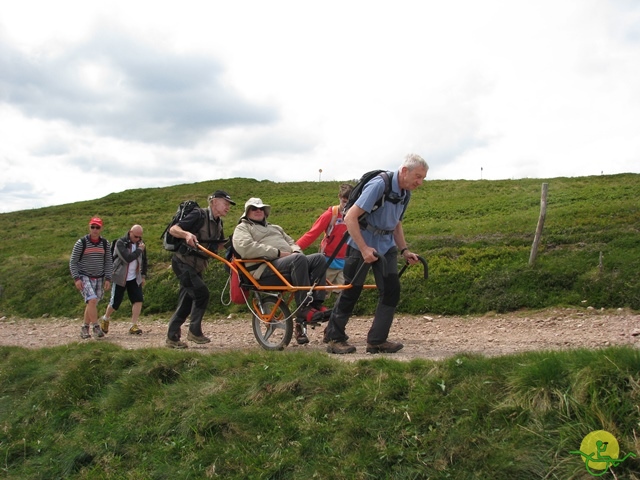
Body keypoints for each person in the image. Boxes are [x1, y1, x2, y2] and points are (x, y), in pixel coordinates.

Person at [323, 154, 429, 354]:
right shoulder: (379, 185)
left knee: (391, 290)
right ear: (404, 171)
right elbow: (351, 217)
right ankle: (334, 338)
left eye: (422, 178)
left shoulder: (405, 193)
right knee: (351, 290)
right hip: (360, 244)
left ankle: (377, 341)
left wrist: (404, 250)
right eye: (418, 176)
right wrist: (364, 248)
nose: (420, 182)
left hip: (386, 247)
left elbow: (396, 223)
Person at [232, 197, 329, 344]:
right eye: (254, 208)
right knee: (299, 260)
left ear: (265, 212)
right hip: (264, 269)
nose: (258, 211)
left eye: (261, 208)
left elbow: (292, 243)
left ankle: (315, 304)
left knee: (319, 259)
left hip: (286, 264)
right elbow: (246, 248)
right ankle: (304, 308)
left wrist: (295, 251)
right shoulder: (242, 228)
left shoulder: (276, 228)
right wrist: (277, 253)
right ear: (247, 212)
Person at [165, 190, 236, 349]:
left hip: (197, 267)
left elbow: (216, 245)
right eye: (225, 203)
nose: (228, 207)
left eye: (228, 204)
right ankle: (194, 331)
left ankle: (172, 338)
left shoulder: (219, 223)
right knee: (201, 293)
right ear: (214, 202)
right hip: (183, 262)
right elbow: (173, 229)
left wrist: (231, 242)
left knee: (187, 300)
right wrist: (186, 235)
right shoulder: (198, 214)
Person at [296, 183, 354, 287]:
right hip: (328, 262)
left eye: (350, 202)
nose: (346, 205)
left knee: (343, 295)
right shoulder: (330, 215)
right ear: (339, 197)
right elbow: (312, 234)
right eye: (344, 201)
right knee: (321, 294)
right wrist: (294, 249)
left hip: (346, 263)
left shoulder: (355, 216)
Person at [69, 217, 113, 339]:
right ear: (89, 227)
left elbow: (109, 262)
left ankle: (84, 327)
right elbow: (73, 261)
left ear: (101, 228)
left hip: (99, 277)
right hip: (84, 276)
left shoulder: (105, 244)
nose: (95, 230)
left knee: (92, 302)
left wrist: (108, 278)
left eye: (97, 227)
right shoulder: (81, 243)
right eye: (92, 227)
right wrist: (77, 278)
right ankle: (95, 326)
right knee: (92, 300)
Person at [100, 224, 148, 335]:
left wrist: (143, 275)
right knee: (115, 302)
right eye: (136, 236)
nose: (138, 239)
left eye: (140, 237)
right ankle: (106, 318)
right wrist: (139, 250)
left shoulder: (140, 244)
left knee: (138, 299)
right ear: (130, 232)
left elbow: (144, 260)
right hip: (120, 276)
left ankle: (133, 325)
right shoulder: (120, 243)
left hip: (134, 277)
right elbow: (127, 258)